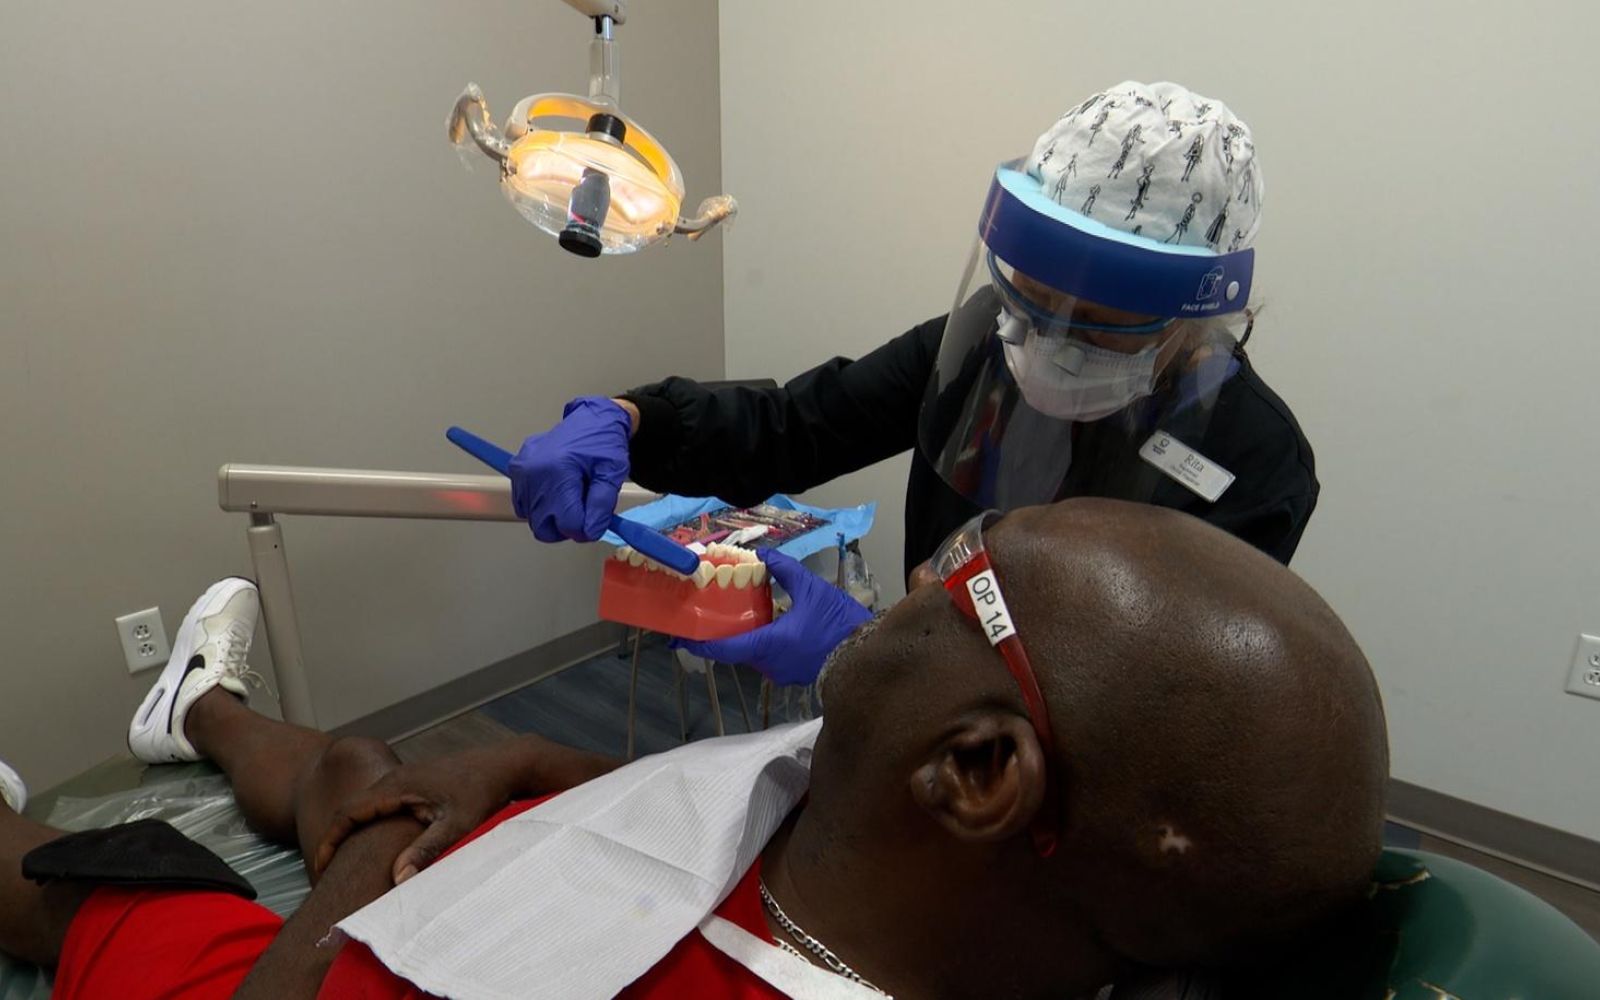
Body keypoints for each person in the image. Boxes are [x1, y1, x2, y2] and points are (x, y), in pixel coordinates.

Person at [0, 498, 1385, 998]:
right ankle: (193, 708)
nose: (902, 584)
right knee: (361, 761)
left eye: (954, 576)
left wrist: (366, 866)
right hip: (493, 864)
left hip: (324, 953)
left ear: (976, 772)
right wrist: (539, 766)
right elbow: (729, 815)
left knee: (124, 874)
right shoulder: (950, 903)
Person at [509, 80, 1316, 684]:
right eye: (1026, 296)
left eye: (1089, 319)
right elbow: (795, 426)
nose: (1037, 340)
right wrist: (631, 420)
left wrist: (875, 658)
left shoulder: (1257, 464)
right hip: (924, 698)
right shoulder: (977, 351)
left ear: (1192, 317)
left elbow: (1146, 694)